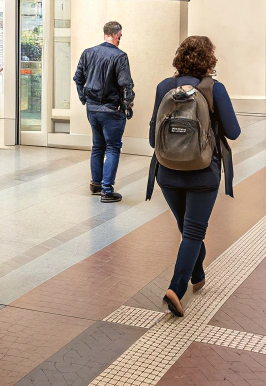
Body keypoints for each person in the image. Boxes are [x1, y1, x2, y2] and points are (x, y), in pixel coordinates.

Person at [148, 35, 240, 317]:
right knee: (193, 231)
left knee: (187, 229)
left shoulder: (164, 86)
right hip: (203, 173)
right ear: (209, 59)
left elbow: (154, 138)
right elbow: (234, 132)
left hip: (167, 173)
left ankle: (198, 274)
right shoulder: (214, 89)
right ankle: (176, 288)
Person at [73, 21, 133, 203]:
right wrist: (127, 106)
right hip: (110, 110)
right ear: (118, 34)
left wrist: (84, 99)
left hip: (92, 109)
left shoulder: (88, 53)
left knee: (97, 146)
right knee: (113, 148)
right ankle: (107, 191)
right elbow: (125, 85)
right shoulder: (120, 56)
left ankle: (96, 184)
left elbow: (78, 78)